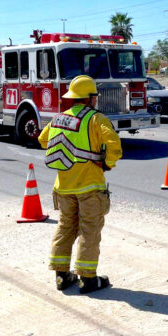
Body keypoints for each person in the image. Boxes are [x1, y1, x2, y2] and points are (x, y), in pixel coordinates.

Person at [39, 75, 123, 294]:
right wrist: (107, 163)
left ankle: (61, 275)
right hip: (89, 188)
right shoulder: (96, 119)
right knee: (89, 230)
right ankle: (87, 279)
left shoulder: (58, 118)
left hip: (63, 187)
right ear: (90, 98)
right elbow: (114, 147)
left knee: (65, 227)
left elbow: (42, 139)